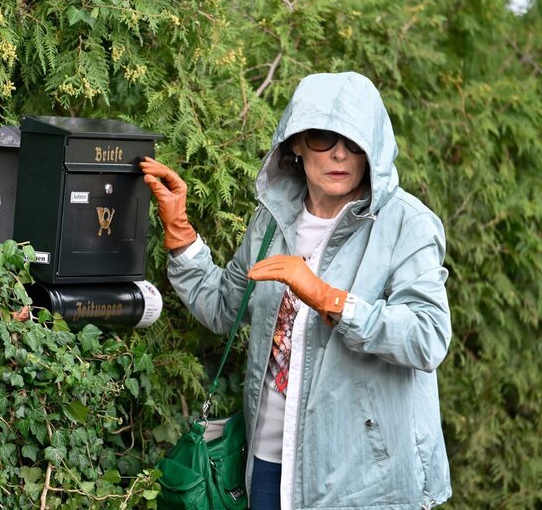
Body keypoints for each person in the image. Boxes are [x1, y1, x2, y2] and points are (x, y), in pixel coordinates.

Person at [140, 71, 452, 510]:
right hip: (268, 464)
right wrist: (178, 229)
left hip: (364, 480)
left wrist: (328, 298)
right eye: (324, 137)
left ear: (374, 150)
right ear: (296, 143)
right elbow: (225, 307)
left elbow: (428, 337)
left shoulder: (406, 224)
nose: (340, 153)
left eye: (356, 141)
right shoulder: (273, 220)